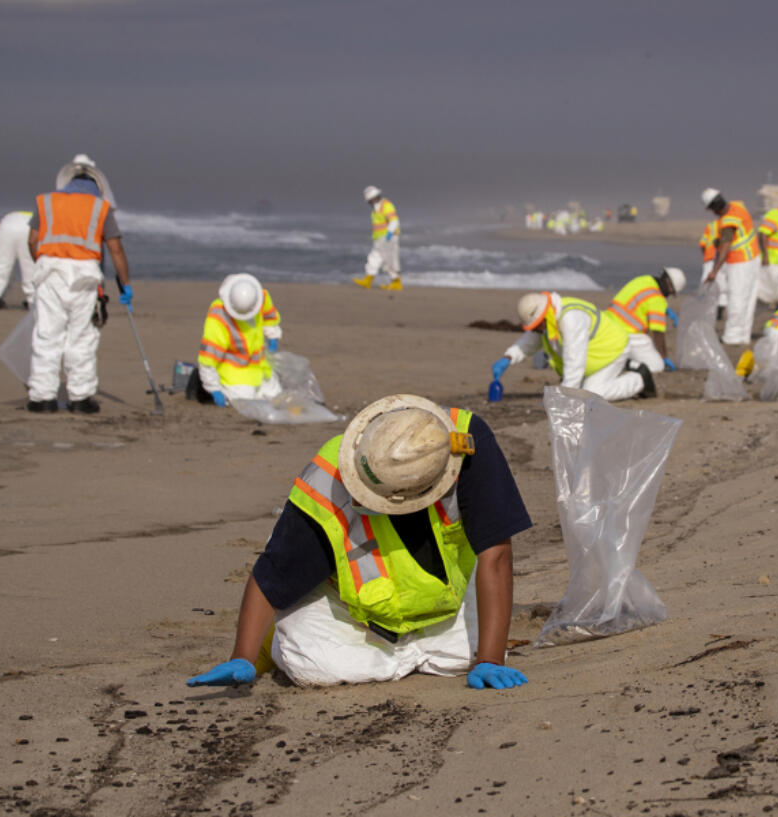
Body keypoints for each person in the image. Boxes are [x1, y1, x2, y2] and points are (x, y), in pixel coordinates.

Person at [187, 394, 531, 690]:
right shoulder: (327, 479)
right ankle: (274, 642)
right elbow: (273, 573)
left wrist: (489, 660)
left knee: (480, 650)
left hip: (442, 604)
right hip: (353, 611)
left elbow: (495, 554)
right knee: (312, 667)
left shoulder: (467, 441)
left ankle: (410, 656)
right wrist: (245, 658)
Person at [25, 154, 130, 415]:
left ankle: (42, 398)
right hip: (85, 276)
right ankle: (80, 398)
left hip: (50, 273)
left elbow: (32, 241)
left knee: (47, 335)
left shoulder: (45, 202)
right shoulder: (101, 208)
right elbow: (116, 250)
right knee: (81, 337)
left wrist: (43, 261)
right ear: (97, 185)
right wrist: (125, 285)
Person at [490, 291, 654, 401]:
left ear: (543, 317)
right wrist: (509, 357)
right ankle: (626, 370)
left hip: (613, 350)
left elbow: (574, 363)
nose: (534, 331)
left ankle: (640, 379)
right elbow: (530, 341)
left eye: (535, 326)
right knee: (580, 389)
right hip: (594, 357)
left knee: (591, 393)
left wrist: (564, 398)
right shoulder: (549, 320)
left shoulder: (571, 319)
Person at [195, 273, 283, 406]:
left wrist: (272, 334)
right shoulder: (218, 318)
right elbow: (208, 358)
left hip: (260, 366)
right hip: (234, 372)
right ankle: (206, 386)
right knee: (246, 402)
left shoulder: (258, 296)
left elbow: (268, 313)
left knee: (277, 397)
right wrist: (212, 388)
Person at [701, 189, 761, 376]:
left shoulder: (727, 221)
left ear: (713, 208)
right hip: (753, 258)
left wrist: (714, 271)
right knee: (748, 299)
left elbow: (725, 247)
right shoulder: (738, 206)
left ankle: (733, 336)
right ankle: (743, 335)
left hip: (740, 262)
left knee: (737, 298)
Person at [607, 266, 687, 373]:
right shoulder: (657, 299)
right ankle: (627, 363)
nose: (668, 296)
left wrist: (665, 309)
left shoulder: (645, 280)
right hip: (629, 334)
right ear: (668, 284)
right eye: (671, 293)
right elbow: (658, 334)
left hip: (608, 325)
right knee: (656, 365)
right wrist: (664, 358)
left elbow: (641, 299)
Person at [353, 186, 402, 291]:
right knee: (374, 257)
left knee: (390, 260)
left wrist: (389, 234)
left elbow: (394, 221)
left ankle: (396, 282)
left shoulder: (386, 205)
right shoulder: (376, 209)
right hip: (379, 238)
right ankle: (368, 280)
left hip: (389, 237)